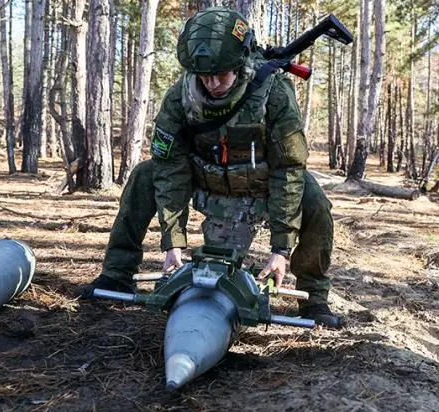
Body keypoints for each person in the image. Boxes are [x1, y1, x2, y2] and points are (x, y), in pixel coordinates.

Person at [79, 7, 341, 328]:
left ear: (241, 64)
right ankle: (117, 274)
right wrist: (173, 241)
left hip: (260, 187)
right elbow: (169, 167)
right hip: (207, 182)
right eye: (205, 77)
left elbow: (288, 169)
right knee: (144, 175)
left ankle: (314, 298)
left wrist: (280, 250)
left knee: (313, 199)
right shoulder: (180, 98)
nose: (213, 84)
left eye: (222, 75)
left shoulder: (274, 93)